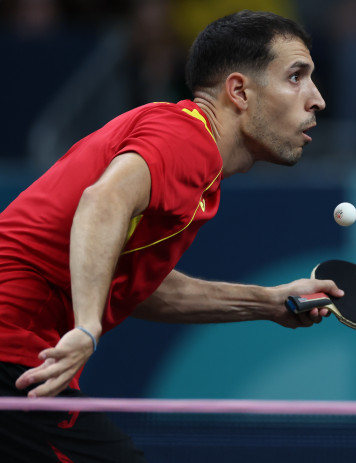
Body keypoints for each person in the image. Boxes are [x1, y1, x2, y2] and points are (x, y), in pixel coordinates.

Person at [0, 10, 337, 462]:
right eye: (296, 76)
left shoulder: (192, 159)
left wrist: (269, 302)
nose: (316, 100)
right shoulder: (186, 137)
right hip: (13, 341)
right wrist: (87, 326)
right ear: (238, 91)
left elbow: (139, 289)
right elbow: (102, 203)